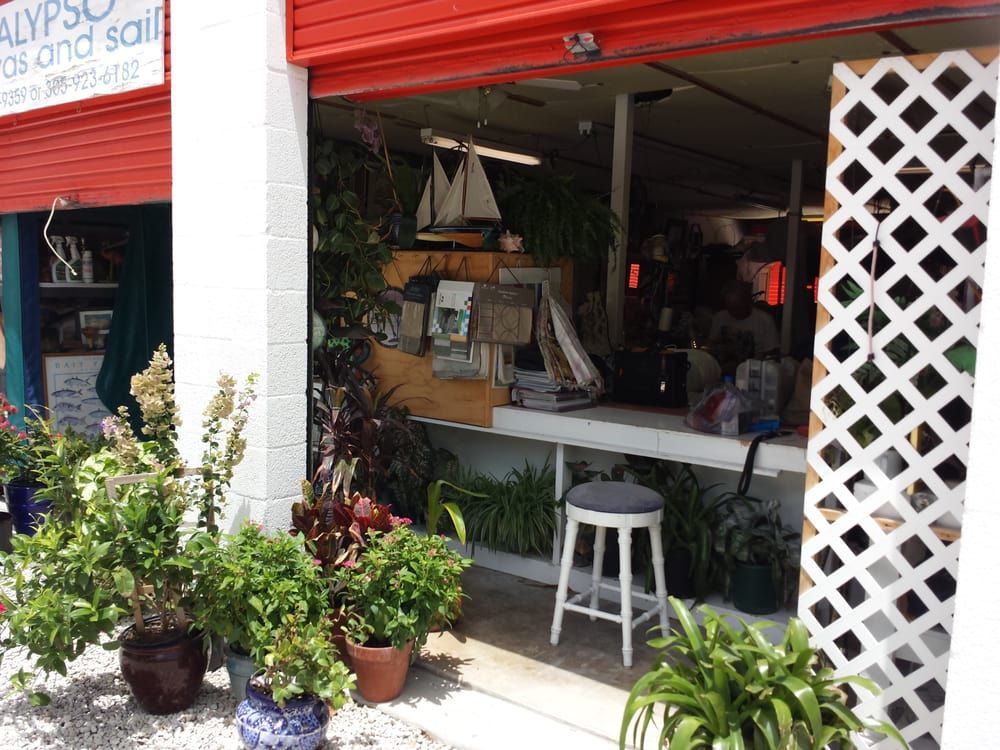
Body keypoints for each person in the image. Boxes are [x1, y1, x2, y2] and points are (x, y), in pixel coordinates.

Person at [708, 280, 779, 373]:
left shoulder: (765, 321)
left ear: (748, 302)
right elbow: (710, 345)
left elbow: (772, 354)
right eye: (730, 308)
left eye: (738, 307)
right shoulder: (719, 318)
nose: (734, 312)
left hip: (753, 374)